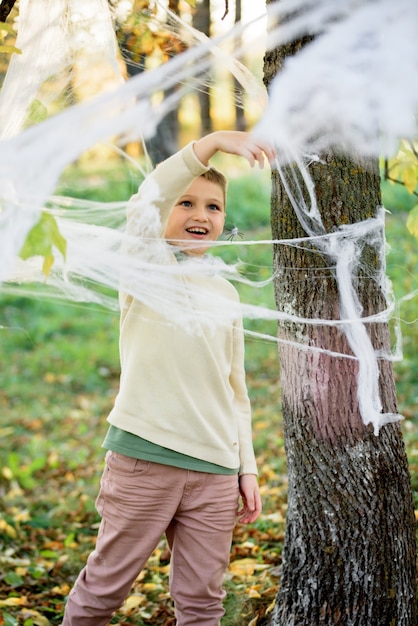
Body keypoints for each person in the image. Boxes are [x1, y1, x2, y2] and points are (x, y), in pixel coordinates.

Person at [62, 131, 275, 626]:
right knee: (104, 589)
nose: (201, 215)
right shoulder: (144, 267)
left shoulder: (224, 292)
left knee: (203, 603)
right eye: (187, 203)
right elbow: (148, 198)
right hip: (145, 461)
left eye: (214, 207)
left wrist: (246, 468)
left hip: (215, 474)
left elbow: (235, 390)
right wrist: (215, 141)